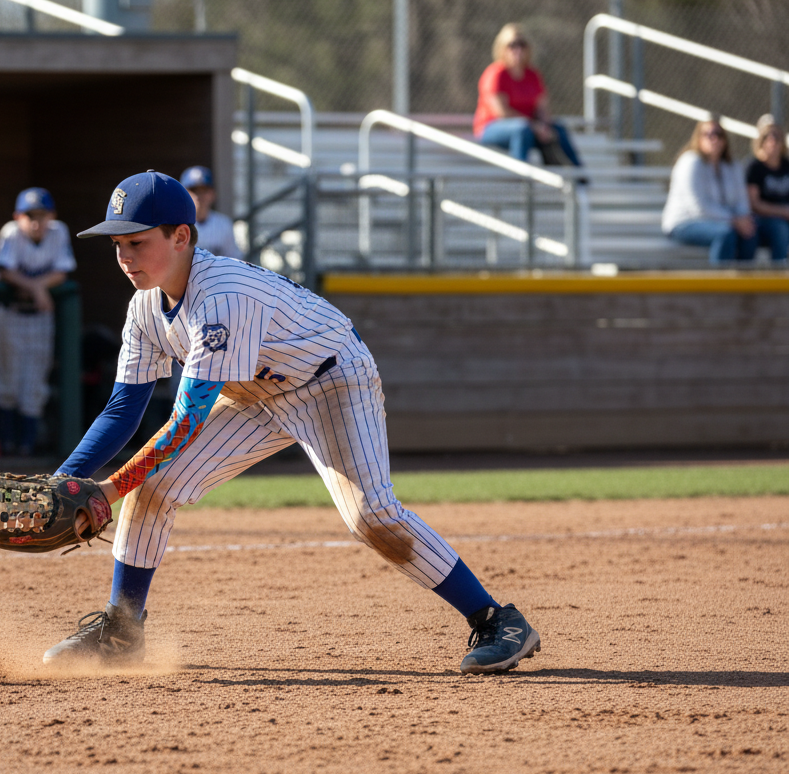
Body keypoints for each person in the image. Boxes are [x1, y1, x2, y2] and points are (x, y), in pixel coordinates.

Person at [40, 170, 541, 675]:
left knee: (373, 517)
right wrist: (66, 478)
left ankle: (498, 621)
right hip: (254, 392)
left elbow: (186, 418)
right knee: (154, 488)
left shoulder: (221, 298)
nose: (124, 257)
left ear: (181, 236)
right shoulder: (145, 308)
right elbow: (123, 407)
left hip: (332, 380)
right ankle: (123, 630)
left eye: (137, 242)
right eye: (118, 244)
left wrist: (107, 490)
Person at [0, 188, 76, 456]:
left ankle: (25, 448)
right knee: (8, 383)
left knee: (35, 386)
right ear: (18, 216)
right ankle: (5, 446)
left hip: (40, 317)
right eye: (30, 216)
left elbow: (63, 272)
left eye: (41, 215)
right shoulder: (10, 232)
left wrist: (36, 287)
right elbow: (4, 271)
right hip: (11, 315)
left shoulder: (58, 231)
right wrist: (38, 288)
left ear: (51, 215)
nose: (36, 222)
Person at [473, 23, 582, 167]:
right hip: (493, 128)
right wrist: (535, 126)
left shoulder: (533, 75)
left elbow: (542, 108)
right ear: (502, 48)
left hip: (530, 127)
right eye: (512, 45)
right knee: (521, 129)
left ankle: (579, 176)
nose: (517, 50)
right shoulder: (496, 74)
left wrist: (544, 126)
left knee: (558, 130)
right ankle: (521, 178)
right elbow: (502, 113)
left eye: (522, 45)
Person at [662, 117, 756, 263]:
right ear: (698, 138)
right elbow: (698, 207)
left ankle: (743, 283)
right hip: (685, 223)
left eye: (718, 134)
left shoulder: (732, 166)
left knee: (750, 233)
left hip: (723, 221)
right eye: (707, 134)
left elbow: (741, 201)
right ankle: (720, 283)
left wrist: (743, 219)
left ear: (725, 140)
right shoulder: (690, 162)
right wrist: (734, 221)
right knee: (725, 234)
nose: (713, 138)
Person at [744, 114, 789, 263]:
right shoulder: (754, 167)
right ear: (760, 141)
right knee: (780, 229)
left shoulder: (786, 166)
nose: (772, 141)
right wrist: (783, 212)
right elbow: (754, 204)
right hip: (762, 220)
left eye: (776, 136)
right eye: (767, 136)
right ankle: (780, 280)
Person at [179, 166, 242, 259]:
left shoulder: (224, 224)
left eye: (204, 190)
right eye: (194, 190)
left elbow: (234, 260)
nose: (199, 196)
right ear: (183, 194)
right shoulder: (175, 224)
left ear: (213, 194)